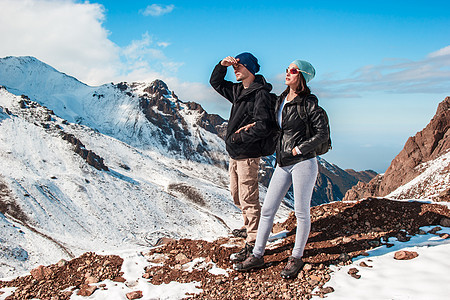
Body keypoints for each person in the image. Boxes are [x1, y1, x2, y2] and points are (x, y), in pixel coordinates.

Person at [233, 59, 329, 279]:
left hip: (303, 162)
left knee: (301, 212)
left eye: (293, 71)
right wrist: (250, 126)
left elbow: (322, 134)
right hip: (282, 163)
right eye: (287, 70)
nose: (287, 73)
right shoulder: (280, 100)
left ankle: (296, 257)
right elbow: (271, 124)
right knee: (267, 210)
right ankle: (257, 255)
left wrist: (299, 150)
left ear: (302, 76)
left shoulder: (309, 104)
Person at [209, 52, 276, 263]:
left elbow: (263, 125)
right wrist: (222, 65)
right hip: (235, 154)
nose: (235, 69)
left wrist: (239, 137)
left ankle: (254, 242)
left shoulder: (260, 94)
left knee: (248, 199)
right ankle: (250, 228)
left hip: (248, 154)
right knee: (237, 196)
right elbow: (216, 82)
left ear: (250, 69)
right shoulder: (239, 90)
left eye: (239, 66)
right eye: (234, 66)